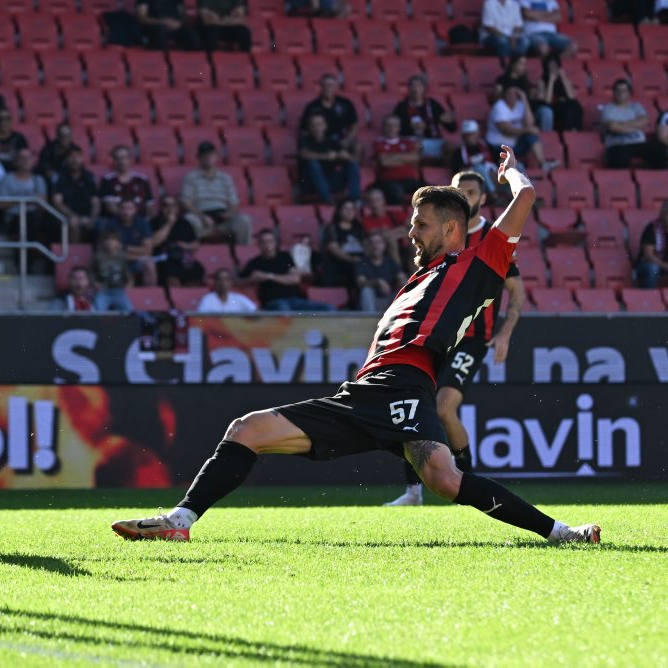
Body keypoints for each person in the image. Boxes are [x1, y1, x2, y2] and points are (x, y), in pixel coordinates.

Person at [112, 146, 601, 545]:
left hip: (399, 387)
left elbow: (529, 195)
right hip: (380, 390)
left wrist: (512, 173)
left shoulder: (478, 262)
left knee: (252, 429)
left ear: (452, 228)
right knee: (440, 477)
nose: (411, 230)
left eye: (422, 223)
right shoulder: (422, 276)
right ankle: (562, 533)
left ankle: (181, 520)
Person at [384, 170, 525, 507]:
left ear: (482, 198)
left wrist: (506, 331)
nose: (466, 196)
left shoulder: (493, 236)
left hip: (473, 338)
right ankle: (414, 492)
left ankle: (467, 482)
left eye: (471, 191)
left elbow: (516, 291)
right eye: (459, 190)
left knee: (444, 408)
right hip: (436, 337)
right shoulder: (437, 234)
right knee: (414, 405)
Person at [238, 229, 334, 312]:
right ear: (259, 244)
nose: (268, 244)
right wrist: (251, 279)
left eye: (270, 241)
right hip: (274, 302)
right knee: (283, 309)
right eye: (264, 242)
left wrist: (268, 276)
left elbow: (295, 279)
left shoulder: (285, 257)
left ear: (275, 243)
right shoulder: (255, 263)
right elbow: (238, 281)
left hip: (296, 300)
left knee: (328, 308)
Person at [181, 141, 252, 244]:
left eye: (210, 154)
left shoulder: (225, 178)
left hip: (223, 218)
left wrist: (230, 213)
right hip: (202, 217)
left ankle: (245, 255)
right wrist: (202, 217)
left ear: (216, 157)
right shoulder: (191, 177)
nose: (208, 158)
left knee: (244, 220)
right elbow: (186, 202)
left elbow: (233, 202)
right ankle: (192, 253)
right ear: (199, 158)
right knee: (189, 220)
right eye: (204, 155)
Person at [0, 149, 59, 254]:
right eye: (22, 158)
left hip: (36, 217)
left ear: (33, 161)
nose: (25, 161)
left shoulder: (39, 179)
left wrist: (20, 200)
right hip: (15, 218)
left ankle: (50, 263)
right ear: (15, 161)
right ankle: (26, 260)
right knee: (29, 224)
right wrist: (25, 200)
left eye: (28, 158)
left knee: (53, 224)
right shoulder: (7, 179)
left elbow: (43, 204)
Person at [486, 85, 559, 172]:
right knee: (529, 132)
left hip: (514, 143)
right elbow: (506, 130)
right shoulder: (499, 107)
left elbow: (530, 123)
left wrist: (525, 100)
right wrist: (528, 129)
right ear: (505, 95)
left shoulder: (520, 105)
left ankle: (543, 164)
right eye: (510, 93)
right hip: (498, 146)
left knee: (531, 136)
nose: (512, 96)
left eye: (515, 94)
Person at [601, 79, 666, 169]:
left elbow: (645, 121)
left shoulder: (636, 107)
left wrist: (621, 124)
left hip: (639, 143)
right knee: (619, 158)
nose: (621, 93)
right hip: (618, 145)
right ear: (614, 92)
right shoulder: (608, 109)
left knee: (661, 153)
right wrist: (635, 126)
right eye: (618, 90)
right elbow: (612, 127)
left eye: (624, 90)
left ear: (629, 92)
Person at [298, 113, 361, 203]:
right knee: (313, 164)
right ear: (309, 128)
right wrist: (326, 156)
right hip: (310, 183)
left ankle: (355, 200)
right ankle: (327, 200)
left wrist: (339, 156)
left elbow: (347, 156)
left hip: (330, 181)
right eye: (313, 125)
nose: (317, 128)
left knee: (352, 165)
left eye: (319, 124)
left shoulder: (331, 141)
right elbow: (304, 154)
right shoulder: (305, 140)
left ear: (325, 126)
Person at [298, 74, 361, 162]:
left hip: (339, 140)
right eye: (325, 85)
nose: (328, 88)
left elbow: (354, 125)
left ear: (336, 87)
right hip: (320, 140)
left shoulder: (345, 104)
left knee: (357, 147)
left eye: (331, 85)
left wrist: (347, 140)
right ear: (320, 87)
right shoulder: (312, 106)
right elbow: (304, 130)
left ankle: (352, 172)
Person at [392, 75, 457, 161]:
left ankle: (447, 172)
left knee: (450, 147)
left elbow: (452, 129)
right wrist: (410, 127)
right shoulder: (401, 107)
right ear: (408, 88)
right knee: (416, 146)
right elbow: (395, 130)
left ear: (424, 88)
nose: (415, 89)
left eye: (419, 85)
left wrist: (450, 121)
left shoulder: (432, 104)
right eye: (412, 85)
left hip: (432, 141)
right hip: (411, 141)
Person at [150, 195, 206, 287]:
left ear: (177, 207)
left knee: (198, 270)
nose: (170, 208)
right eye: (166, 205)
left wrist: (185, 245)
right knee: (171, 276)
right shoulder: (154, 222)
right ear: (161, 208)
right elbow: (154, 242)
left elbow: (195, 244)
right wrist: (169, 224)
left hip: (182, 258)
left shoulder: (184, 223)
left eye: (173, 205)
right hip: (162, 258)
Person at [100, 199, 158, 286]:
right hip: (117, 260)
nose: (126, 212)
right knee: (125, 274)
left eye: (129, 208)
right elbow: (111, 251)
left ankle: (151, 296)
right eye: (123, 208)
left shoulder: (142, 223)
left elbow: (148, 250)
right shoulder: (111, 224)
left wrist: (124, 248)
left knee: (149, 264)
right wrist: (138, 252)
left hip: (135, 259)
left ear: (135, 210)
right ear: (119, 210)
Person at [491, 55, 553, 132]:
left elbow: (530, 96)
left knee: (546, 111)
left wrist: (539, 91)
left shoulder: (525, 81)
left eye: (525, 64)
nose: (524, 67)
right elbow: (497, 97)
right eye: (521, 64)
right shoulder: (502, 80)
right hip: (512, 109)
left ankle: (547, 138)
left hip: (527, 108)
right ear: (513, 65)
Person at [51, 146, 100, 243]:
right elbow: (58, 202)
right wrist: (72, 215)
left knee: (102, 224)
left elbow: (95, 202)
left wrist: (92, 218)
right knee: (73, 222)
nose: (74, 160)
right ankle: (75, 255)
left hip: (87, 215)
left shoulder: (89, 176)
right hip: (66, 215)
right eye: (71, 157)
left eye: (77, 156)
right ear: (66, 160)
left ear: (82, 158)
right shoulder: (59, 176)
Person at [373, 115, 423, 206]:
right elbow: (385, 162)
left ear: (399, 127)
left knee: (429, 192)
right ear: (384, 127)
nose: (391, 128)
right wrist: (406, 159)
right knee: (397, 193)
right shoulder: (379, 143)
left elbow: (416, 157)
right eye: (389, 125)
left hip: (409, 180)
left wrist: (392, 156)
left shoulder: (407, 142)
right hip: (389, 181)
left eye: (394, 125)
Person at [317, 199, 366, 288]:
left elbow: (365, 245)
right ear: (339, 211)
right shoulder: (333, 227)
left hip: (359, 259)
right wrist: (351, 259)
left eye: (352, 209)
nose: (349, 211)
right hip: (340, 260)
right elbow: (333, 248)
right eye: (346, 209)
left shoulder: (359, 227)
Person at [98, 145, 156, 218]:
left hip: (140, 221)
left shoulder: (142, 179)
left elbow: (149, 205)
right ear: (113, 160)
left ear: (130, 159)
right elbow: (110, 206)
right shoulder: (107, 180)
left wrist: (145, 221)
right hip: (117, 221)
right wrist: (128, 220)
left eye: (124, 157)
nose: (121, 161)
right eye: (118, 158)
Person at [355, 231, 406, 312]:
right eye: (372, 243)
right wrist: (378, 282)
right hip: (371, 303)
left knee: (405, 289)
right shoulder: (363, 263)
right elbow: (361, 283)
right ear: (368, 246)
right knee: (366, 291)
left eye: (378, 243)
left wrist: (401, 282)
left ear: (384, 245)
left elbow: (402, 278)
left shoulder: (391, 262)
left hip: (389, 302)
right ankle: (369, 321)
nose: (375, 246)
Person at [453, 120, 498, 200]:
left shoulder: (487, 146)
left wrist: (494, 170)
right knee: (479, 168)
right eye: (468, 135)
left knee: (517, 166)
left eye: (473, 134)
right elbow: (459, 172)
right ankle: (494, 195)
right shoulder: (459, 153)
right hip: (475, 183)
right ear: (463, 137)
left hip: (495, 177)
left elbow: (500, 160)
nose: (471, 138)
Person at [539, 53, 583, 132]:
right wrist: (551, 81)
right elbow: (547, 101)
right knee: (566, 111)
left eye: (555, 66)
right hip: (552, 107)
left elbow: (571, 97)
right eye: (550, 66)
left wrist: (563, 78)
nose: (553, 68)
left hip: (565, 105)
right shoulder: (542, 82)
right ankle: (569, 132)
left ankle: (576, 130)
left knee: (575, 105)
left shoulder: (564, 80)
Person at [92, 232, 134, 312]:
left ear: (118, 243)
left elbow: (126, 271)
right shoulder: (98, 256)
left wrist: (130, 281)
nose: (110, 243)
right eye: (108, 240)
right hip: (103, 291)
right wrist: (94, 282)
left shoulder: (122, 256)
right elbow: (91, 272)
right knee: (97, 310)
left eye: (113, 240)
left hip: (119, 291)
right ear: (104, 242)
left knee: (129, 311)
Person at [136, 0, 201, 50]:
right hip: (157, 26)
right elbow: (142, 18)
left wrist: (180, 23)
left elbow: (182, 15)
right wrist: (164, 22)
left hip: (175, 25)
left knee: (191, 35)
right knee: (160, 32)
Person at [634, 200, 668, 289]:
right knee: (654, 269)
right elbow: (648, 256)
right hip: (649, 265)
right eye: (666, 213)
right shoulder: (651, 229)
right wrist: (665, 266)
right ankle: (649, 298)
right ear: (662, 214)